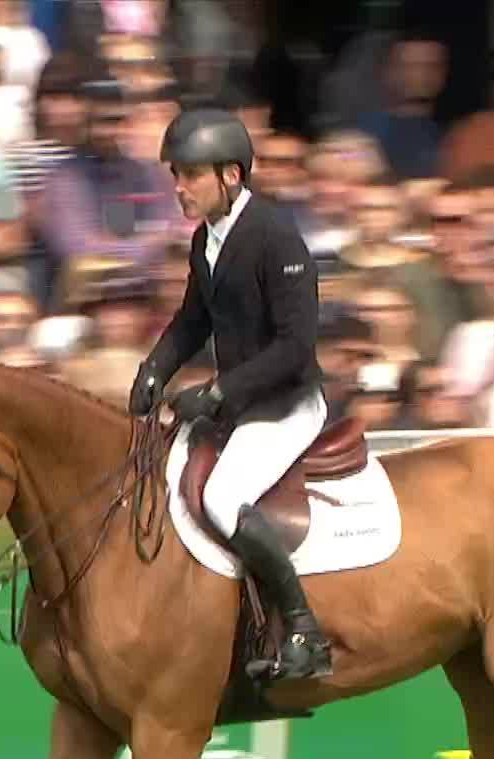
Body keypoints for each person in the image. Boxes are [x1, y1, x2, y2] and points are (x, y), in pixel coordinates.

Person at [128, 108, 331, 683]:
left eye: (191, 175)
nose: (179, 187)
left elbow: (296, 347)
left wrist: (217, 392)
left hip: (286, 404)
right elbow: (194, 321)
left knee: (221, 497)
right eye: (176, 174)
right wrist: (154, 370)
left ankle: (301, 627)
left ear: (231, 176)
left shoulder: (275, 237)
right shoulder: (206, 241)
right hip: (240, 404)